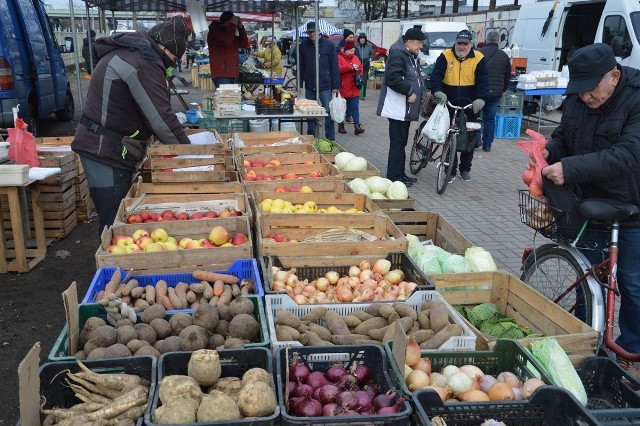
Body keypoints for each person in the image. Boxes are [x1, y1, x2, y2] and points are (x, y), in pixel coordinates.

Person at [531, 43, 640, 374]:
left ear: (614, 77)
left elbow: (629, 154)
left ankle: (631, 350)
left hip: (630, 205)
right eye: (578, 92)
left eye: (591, 91)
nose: (584, 98)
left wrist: (571, 168)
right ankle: (581, 340)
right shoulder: (580, 96)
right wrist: (551, 151)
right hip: (584, 203)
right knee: (586, 277)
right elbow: (564, 135)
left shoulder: (636, 98)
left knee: (633, 283)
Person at [71, 16, 191, 235]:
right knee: (114, 224)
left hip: (107, 146)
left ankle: (116, 264)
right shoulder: (143, 61)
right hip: (105, 150)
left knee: (118, 219)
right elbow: (160, 118)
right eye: (174, 58)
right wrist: (191, 154)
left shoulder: (136, 53)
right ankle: (111, 268)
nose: (172, 64)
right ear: (164, 48)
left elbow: (148, 110)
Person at [430, 29, 488, 183]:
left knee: (470, 138)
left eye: (465, 44)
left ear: (471, 44)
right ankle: (451, 170)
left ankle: (465, 169)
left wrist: (481, 99)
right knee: (450, 136)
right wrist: (437, 91)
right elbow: (436, 75)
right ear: (455, 43)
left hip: (471, 104)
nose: (461, 47)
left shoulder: (479, 58)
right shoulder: (445, 55)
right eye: (459, 43)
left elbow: (483, 81)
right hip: (449, 103)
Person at [376, 28, 426, 187]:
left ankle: (400, 174)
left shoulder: (409, 54)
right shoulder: (399, 54)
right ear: (409, 42)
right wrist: (409, 91)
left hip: (404, 109)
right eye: (419, 43)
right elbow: (393, 78)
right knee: (397, 143)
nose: (421, 46)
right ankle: (393, 176)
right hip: (398, 108)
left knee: (401, 142)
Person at [299, 21, 340, 141]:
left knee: (327, 112)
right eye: (309, 32)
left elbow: (334, 66)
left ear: (319, 31)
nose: (312, 34)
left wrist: (336, 86)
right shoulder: (303, 46)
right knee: (309, 113)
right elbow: (301, 66)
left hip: (326, 85)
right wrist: (300, 83)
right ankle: (311, 137)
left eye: (313, 31)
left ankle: (330, 138)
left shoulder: (329, 45)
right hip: (310, 86)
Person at [479, 31, 511, 152]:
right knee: (490, 119)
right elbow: (507, 76)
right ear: (498, 40)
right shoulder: (504, 56)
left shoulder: (479, 53)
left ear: (487, 40)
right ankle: (487, 145)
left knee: (474, 116)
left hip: (480, 91)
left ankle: (476, 140)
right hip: (495, 93)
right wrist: (503, 89)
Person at [207, 11, 249, 87]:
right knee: (226, 98)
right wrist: (233, 25)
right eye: (234, 23)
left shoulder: (230, 34)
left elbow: (245, 44)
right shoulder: (214, 32)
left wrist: (240, 28)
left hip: (232, 73)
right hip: (222, 74)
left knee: (231, 98)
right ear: (229, 22)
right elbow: (227, 41)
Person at [337, 41, 365, 135]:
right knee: (342, 108)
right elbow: (339, 69)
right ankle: (341, 125)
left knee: (354, 107)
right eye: (350, 51)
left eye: (353, 50)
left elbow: (361, 67)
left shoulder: (356, 57)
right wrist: (351, 67)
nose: (352, 52)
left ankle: (357, 126)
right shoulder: (339, 57)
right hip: (344, 87)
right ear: (345, 50)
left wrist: (359, 69)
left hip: (354, 87)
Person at [357, 33, 375, 100]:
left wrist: (370, 59)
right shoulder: (356, 46)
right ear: (359, 39)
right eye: (361, 38)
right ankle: (358, 94)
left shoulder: (369, 45)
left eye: (363, 38)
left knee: (364, 80)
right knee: (358, 79)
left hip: (366, 64)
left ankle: (363, 95)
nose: (362, 40)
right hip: (358, 64)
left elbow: (372, 53)